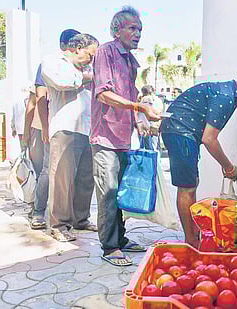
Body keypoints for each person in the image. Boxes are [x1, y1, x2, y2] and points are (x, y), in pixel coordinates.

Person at [160, 67, 237, 248]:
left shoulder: (229, 93)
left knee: (191, 183)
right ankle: (191, 240)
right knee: (187, 187)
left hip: (182, 132)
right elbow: (209, 139)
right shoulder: (226, 96)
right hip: (180, 131)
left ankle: (194, 231)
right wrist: (228, 167)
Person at [90, 6, 161, 266]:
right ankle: (109, 247)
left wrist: (137, 120)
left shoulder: (131, 60)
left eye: (140, 29)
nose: (137, 33)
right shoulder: (105, 52)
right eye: (132, 28)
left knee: (120, 191)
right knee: (108, 192)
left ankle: (120, 239)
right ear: (116, 29)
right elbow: (103, 94)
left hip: (122, 135)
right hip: (105, 136)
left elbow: (130, 95)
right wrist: (140, 108)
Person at [41, 33, 99, 242]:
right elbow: (61, 82)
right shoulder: (53, 62)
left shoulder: (89, 69)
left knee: (85, 178)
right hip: (65, 127)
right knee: (62, 179)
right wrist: (84, 78)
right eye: (90, 55)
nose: (92, 60)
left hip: (88, 128)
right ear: (77, 49)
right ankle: (59, 225)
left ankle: (80, 219)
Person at [23, 28, 81, 229]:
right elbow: (39, 98)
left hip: (67, 127)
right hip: (47, 124)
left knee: (64, 174)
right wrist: (44, 128)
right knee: (48, 171)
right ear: (68, 46)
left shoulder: (77, 66)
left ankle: (65, 215)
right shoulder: (50, 64)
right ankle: (38, 213)